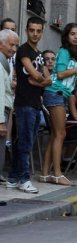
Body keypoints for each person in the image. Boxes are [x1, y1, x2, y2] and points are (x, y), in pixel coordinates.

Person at [41, 23, 77, 186]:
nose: (76, 37)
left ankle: (45, 173)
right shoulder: (63, 52)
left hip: (61, 95)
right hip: (55, 93)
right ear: (66, 36)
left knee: (56, 135)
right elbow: (60, 74)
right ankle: (57, 174)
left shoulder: (73, 54)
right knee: (60, 134)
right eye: (72, 34)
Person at [7, 17, 51, 193]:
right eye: (32, 30)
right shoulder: (23, 50)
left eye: (38, 31)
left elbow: (47, 79)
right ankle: (24, 179)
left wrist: (39, 81)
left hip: (35, 103)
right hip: (24, 102)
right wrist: (40, 79)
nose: (35, 34)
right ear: (26, 30)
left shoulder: (39, 53)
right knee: (25, 143)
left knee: (24, 142)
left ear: (42, 32)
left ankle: (13, 177)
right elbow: (36, 74)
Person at [0, 29, 18, 188]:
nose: (13, 48)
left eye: (16, 45)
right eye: (11, 45)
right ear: (1, 44)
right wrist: (0, 121)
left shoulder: (5, 61)